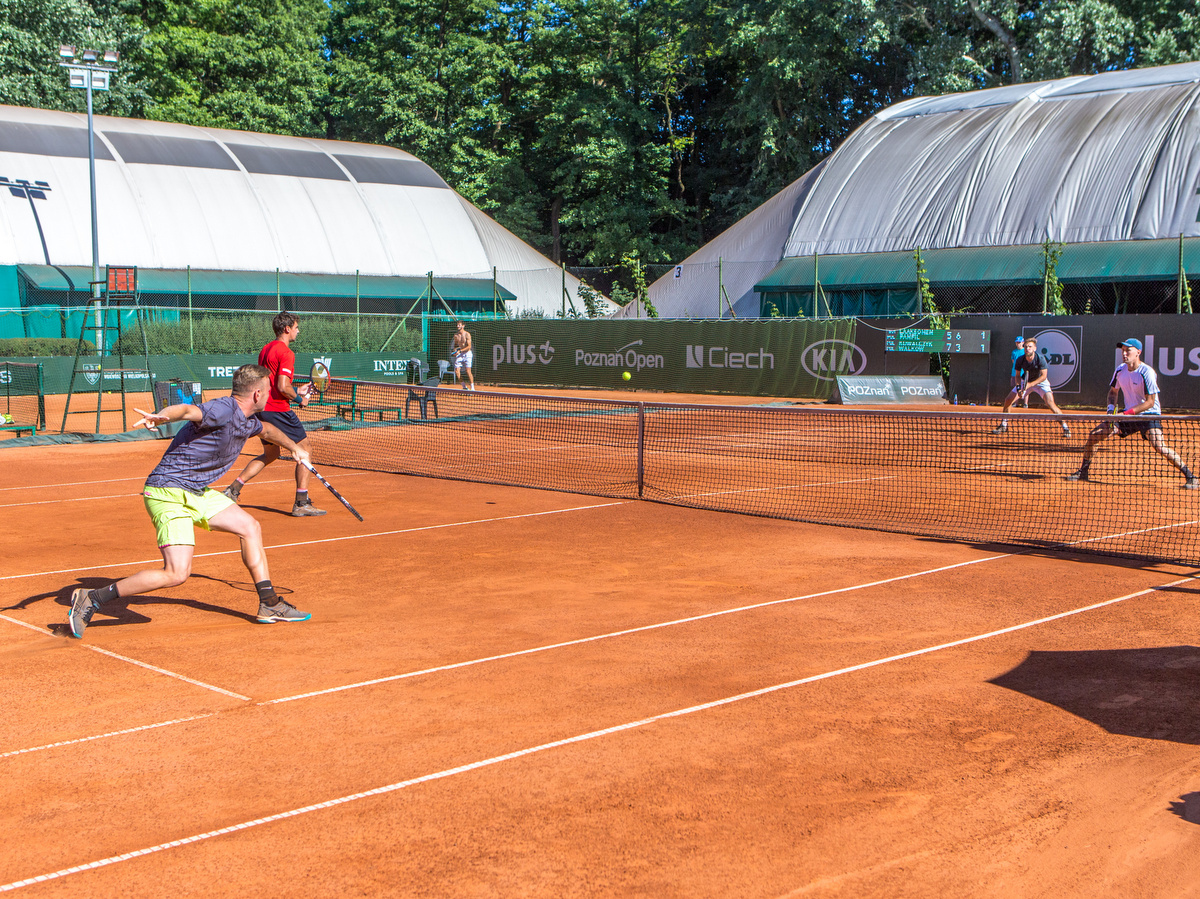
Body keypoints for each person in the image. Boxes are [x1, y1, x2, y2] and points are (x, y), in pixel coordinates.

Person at [67, 364, 312, 640]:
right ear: (257, 394)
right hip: (168, 491)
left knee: (250, 527)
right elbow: (187, 411)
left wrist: (295, 448)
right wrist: (161, 416)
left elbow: (266, 430)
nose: (270, 396)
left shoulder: (247, 420)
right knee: (176, 573)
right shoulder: (222, 410)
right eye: (268, 391)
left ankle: (269, 604)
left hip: (196, 491)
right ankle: (92, 598)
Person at [223, 311, 325, 516]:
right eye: (296, 327)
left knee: (272, 454)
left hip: (261, 410)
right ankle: (301, 502)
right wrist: (299, 398)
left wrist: (296, 390)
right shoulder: (287, 352)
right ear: (287, 329)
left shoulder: (266, 349)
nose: (298, 331)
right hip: (278, 411)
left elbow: (271, 383)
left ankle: (233, 489)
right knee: (305, 450)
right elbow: (282, 386)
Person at [1066, 338, 1197, 487]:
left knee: (1159, 446)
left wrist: (1125, 414)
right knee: (1094, 436)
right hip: (1128, 415)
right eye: (1122, 350)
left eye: (1128, 350)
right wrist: (1110, 412)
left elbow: (1150, 402)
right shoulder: (1120, 369)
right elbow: (1113, 393)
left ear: (1138, 352)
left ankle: (1190, 476)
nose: (1124, 353)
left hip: (1149, 414)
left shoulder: (1147, 372)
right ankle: (1083, 472)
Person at [992, 336, 1071, 437]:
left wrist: (1030, 385)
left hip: (1041, 382)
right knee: (1008, 400)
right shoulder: (1020, 359)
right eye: (1026, 347)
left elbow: (1044, 376)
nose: (1027, 348)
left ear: (1034, 348)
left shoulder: (1040, 359)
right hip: (1025, 381)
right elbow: (1017, 376)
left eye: (1030, 347)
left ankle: (1065, 427)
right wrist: (1018, 388)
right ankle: (1004, 425)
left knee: (1050, 403)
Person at [452, 320, 475, 391]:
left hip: (467, 354)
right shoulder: (456, 336)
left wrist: (460, 351)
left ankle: (472, 388)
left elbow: (469, 347)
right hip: (460, 354)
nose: (457, 326)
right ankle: (464, 387)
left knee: (468, 371)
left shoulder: (467, 334)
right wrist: (455, 351)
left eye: (459, 325)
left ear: (463, 326)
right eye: (457, 325)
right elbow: (455, 346)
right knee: (457, 371)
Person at [1010, 334, 1030, 408]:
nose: (1018, 344)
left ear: (1023, 342)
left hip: (1024, 373)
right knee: (1016, 388)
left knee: (1026, 388)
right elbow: (1013, 362)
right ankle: (1015, 403)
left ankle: (1025, 403)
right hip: (1015, 373)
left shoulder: (1025, 351)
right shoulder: (1014, 352)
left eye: (1019, 342)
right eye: (1017, 342)